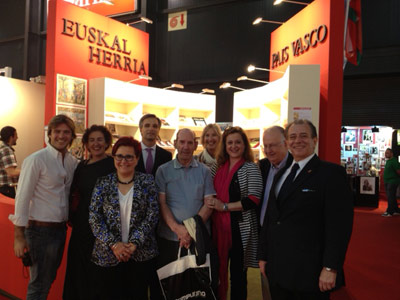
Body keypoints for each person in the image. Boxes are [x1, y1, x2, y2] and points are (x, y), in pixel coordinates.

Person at [259, 119, 354, 300]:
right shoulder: (281, 174)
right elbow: (271, 218)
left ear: (314, 140)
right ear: (287, 142)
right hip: (278, 270)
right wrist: (263, 256)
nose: (298, 141)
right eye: (293, 137)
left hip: (310, 273)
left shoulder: (331, 174)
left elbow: (339, 226)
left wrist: (330, 267)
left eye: (304, 136)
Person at [9, 114, 78, 299]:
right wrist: (18, 235)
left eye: (66, 132)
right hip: (39, 231)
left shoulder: (71, 162)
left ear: (72, 136)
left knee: (47, 281)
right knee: (39, 285)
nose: (61, 136)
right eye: (57, 132)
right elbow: (22, 197)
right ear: (49, 134)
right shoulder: (36, 159)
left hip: (60, 230)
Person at [89, 136, 159, 300]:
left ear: (137, 159)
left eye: (129, 156)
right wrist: (114, 245)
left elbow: (152, 215)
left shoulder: (147, 181)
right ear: (114, 157)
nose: (123, 161)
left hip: (141, 254)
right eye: (119, 156)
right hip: (107, 255)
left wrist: (134, 243)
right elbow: (94, 217)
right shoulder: (103, 183)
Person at [206, 126, 263, 300]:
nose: (234, 146)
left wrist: (224, 207)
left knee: (238, 276)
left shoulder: (251, 168)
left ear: (245, 145)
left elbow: (253, 200)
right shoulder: (218, 167)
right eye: (230, 142)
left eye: (238, 142)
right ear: (225, 145)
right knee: (216, 271)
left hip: (239, 230)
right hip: (218, 229)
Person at [63, 125, 115, 300]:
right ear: (85, 143)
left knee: (97, 276)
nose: (96, 144)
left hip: (103, 229)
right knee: (78, 271)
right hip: (81, 227)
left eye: (100, 139)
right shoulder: (82, 165)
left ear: (107, 142)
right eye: (91, 140)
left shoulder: (113, 164)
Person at [155, 128, 215, 275]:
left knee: (197, 287)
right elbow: (162, 203)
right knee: (170, 285)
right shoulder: (163, 171)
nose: (186, 147)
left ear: (195, 145)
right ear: (175, 143)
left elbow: (209, 203)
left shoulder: (205, 171)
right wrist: (178, 229)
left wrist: (189, 230)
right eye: (182, 142)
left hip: (198, 238)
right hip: (170, 238)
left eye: (190, 143)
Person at [135, 114, 172, 300]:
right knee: (138, 274)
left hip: (159, 219)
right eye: (147, 125)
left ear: (158, 130)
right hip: (135, 219)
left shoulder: (167, 156)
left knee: (158, 268)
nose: (151, 129)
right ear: (140, 128)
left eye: (154, 126)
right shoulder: (130, 152)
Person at [258, 126, 293, 300]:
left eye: (273, 145)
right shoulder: (263, 166)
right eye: (266, 146)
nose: (269, 150)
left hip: (286, 241)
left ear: (285, 143)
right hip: (265, 234)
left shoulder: (295, 168)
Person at [0, 126, 20, 198]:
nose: (17, 137)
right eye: (16, 135)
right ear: (11, 137)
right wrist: (27, 170)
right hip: (7, 189)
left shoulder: (2, 148)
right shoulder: (6, 150)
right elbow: (11, 172)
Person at [381, 148, 400, 217]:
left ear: (391, 154)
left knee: (390, 197)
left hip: (392, 182)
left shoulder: (394, 161)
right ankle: (396, 210)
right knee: (392, 196)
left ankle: (389, 211)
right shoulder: (388, 161)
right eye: (385, 153)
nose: (386, 154)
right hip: (388, 181)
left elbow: (398, 171)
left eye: (387, 153)